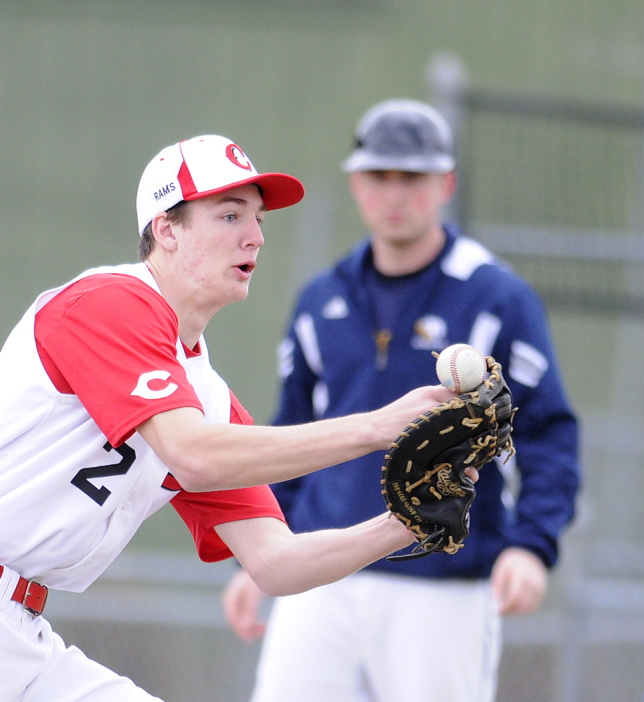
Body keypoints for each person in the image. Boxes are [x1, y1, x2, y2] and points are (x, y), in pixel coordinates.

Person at [0, 134, 461, 702]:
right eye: (228, 215)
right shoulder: (110, 303)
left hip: (21, 638)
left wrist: (409, 521)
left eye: (258, 219)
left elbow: (276, 563)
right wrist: (378, 427)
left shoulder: (208, 400)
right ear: (166, 230)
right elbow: (191, 454)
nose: (255, 236)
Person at [221, 99, 581, 702]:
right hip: (319, 572)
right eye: (379, 176)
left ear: (446, 184)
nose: (394, 194)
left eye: (411, 177)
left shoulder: (496, 297)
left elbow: (548, 434)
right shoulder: (320, 300)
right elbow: (288, 436)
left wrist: (531, 545)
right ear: (356, 184)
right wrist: (255, 556)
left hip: (442, 578)